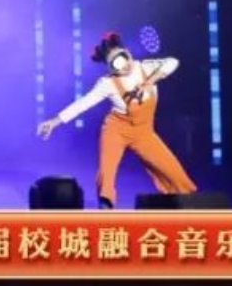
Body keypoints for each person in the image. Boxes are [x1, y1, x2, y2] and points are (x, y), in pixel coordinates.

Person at [37, 31, 197, 209]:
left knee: (171, 169)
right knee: (107, 172)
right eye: (116, 64)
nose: (124, 66)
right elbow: (83, 104)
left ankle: (190, 205)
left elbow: (172, 62)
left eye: (123, 58)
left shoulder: (144, 68)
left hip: (144, 133)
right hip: (116, 130)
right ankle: (106, 206)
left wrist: (149, 82)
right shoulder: (107, 83)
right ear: (110, 67)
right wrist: (55, 121)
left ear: (128, 53)